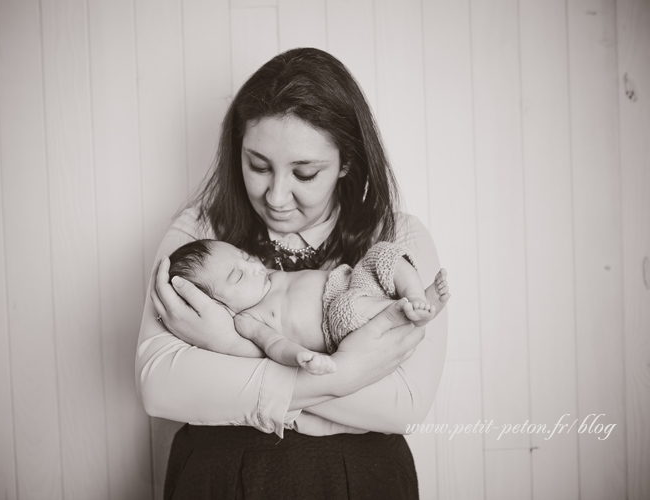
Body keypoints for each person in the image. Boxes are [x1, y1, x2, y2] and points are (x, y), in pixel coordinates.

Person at [136, 47, 448, 499]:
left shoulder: (395, 236)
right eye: (258, 166)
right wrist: (346, 375)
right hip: (221, 481)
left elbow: (404, 407)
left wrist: (226, 351)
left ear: (345, 162)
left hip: (359, 482)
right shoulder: (201, 233)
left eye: (304, 173)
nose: (277, 196)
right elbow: (160, 386)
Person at [165, 238, 450, 375]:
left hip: (351, 280)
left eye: (245, 256)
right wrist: (300, 356)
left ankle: (415, 296)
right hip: (337, 322)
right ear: (221, 307)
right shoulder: (247, 319)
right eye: (237, 275)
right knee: (350, 309)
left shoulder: (266, 273)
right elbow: (274, 345)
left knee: (382, 253)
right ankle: (406, 312)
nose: (252, 266)